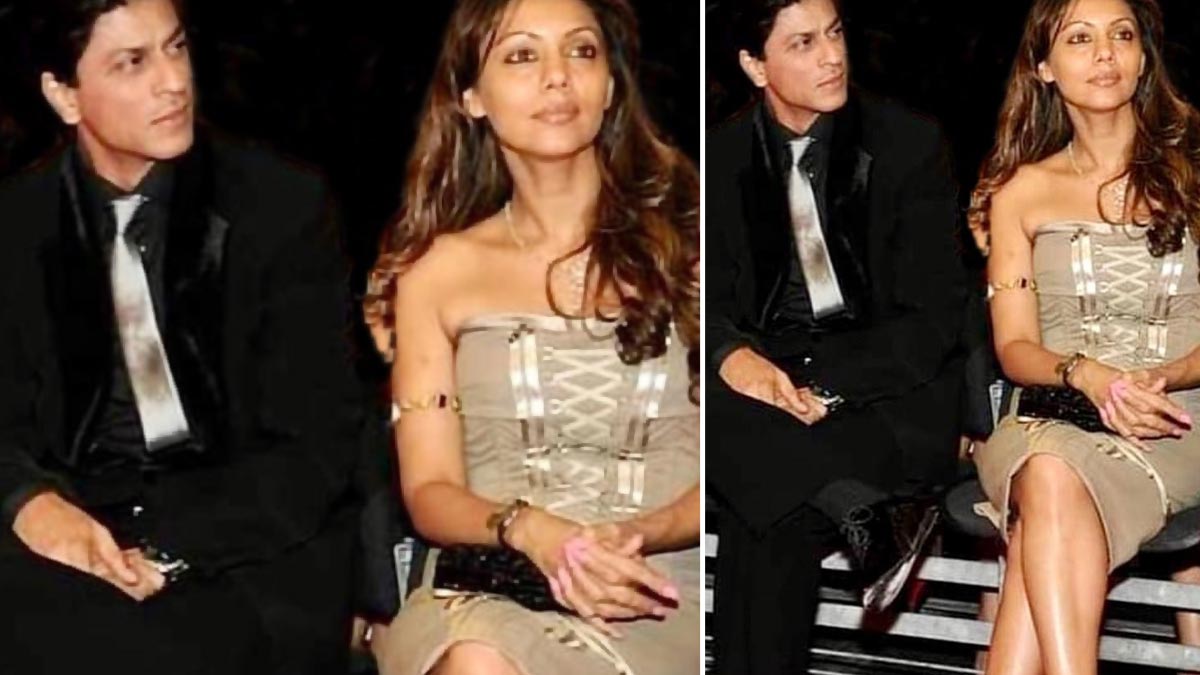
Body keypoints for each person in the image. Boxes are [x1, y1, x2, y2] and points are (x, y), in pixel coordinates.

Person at [0, 0, 365, 672]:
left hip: (246, 543)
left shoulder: (279, 205)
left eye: (176, 48)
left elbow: (316, 441)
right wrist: (31, 503)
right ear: (64, 95)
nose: (172, 81)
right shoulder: (17, 226)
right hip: (76, 531)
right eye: (132, 63)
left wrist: (164, 551)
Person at [361, 0, 701, 673]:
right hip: (494, 583)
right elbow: (430, 489)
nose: (557, 76)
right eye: (522, 55)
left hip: (656, 586)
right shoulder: (435, 274)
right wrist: (533, 529)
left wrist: (633, 534)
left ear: (610, 86)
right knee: (478, 659)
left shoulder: (691, 247)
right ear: (471, 97)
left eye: (581, 51)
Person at [706, 0, 969, 672]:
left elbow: (934, 318)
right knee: (714, 410)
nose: (831, 56)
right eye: (802, 43)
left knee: (762, 512)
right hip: (768, 399)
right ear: (754, 65)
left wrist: (825, 389)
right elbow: (699, 302)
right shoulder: (721, 159)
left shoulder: (907, 143)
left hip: (883, 396)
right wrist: (732, 355)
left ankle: (855, 504)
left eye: (835, 33)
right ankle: (861, 510)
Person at [970, 0, 1200, 672]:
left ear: (1143, 57)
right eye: (1079, 38)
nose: (1105, 54)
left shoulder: (1194, 171)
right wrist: (1089, 375)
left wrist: (1163, 377)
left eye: (1122, 35)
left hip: (1176, 421)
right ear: (1043, 66)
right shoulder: (1021, 192)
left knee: (1048, 497)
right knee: (1051, 467)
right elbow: (1015, 348)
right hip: (1053, 413)